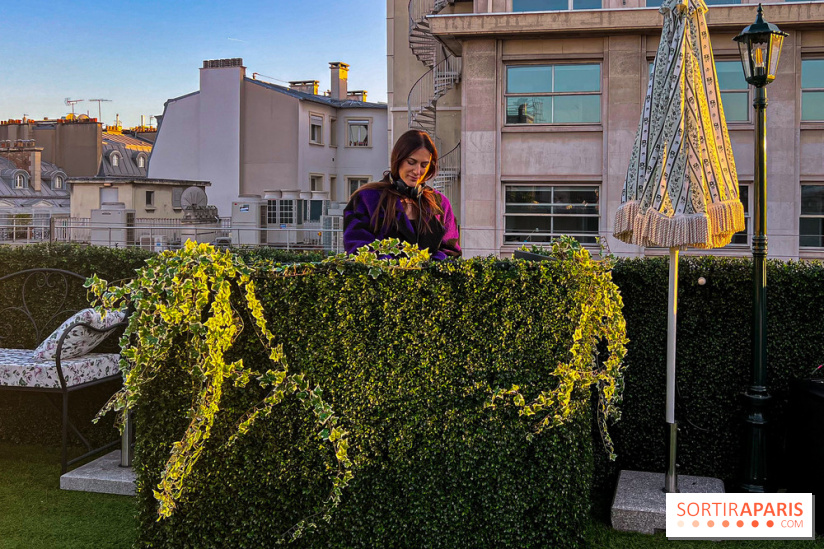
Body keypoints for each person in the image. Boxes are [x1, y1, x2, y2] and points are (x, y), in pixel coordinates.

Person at [343, 130, 461, 260]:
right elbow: (357, 246)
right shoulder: (366, 198)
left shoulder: (440, 203)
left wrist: (428, 268)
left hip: (428, 280)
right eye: (411, 162)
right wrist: (396, 268)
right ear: (398, 160)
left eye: (424, 165)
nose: (417, 171)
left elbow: (451, 252)